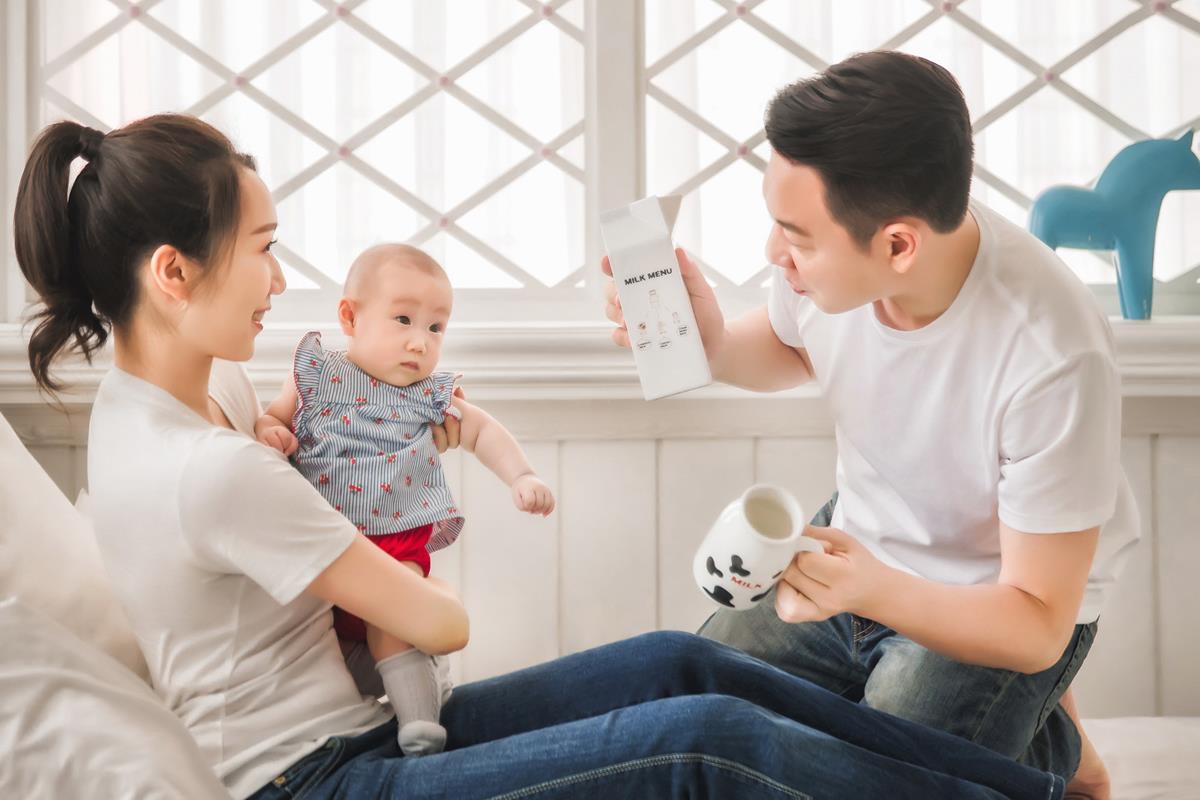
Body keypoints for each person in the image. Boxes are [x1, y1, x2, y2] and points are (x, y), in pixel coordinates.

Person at [14, 112, 1070, 799]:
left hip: (372, 730)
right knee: (705, 740)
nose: (278, 277)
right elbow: (441, 620)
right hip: (318, 780)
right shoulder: (215, 465)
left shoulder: (165, 405)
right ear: (171, 272)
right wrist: (360, 504)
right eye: (262, 247)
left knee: (684, 656)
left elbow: (286, 453)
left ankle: (1026, 787)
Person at [602, 51, 1135, 799]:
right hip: (862, 540)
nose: (772, 254)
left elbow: (1038, 622)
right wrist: (709, 342)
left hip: (998, 599)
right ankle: (1042, 728)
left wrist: (874, 591)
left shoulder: (1053, 353)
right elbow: (792, 347)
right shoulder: (835, 271)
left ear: (897, 244)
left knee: (862, 779)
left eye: (796, 235)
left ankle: (1038, 757)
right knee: (696, 707)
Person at [254, 242, 555, 756]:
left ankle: (421, 731)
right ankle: (401, 698)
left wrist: (520, 475)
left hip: (395, 538)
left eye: (435, 328)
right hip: (323, 549)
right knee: (329, 643)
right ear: (350, 316)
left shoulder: (427, 394)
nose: (420, 342)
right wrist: (269, 431)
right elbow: (275, 416)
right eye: (403, 320)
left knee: (393, 625)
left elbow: (481, 431)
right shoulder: (315, 374)